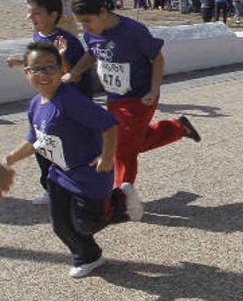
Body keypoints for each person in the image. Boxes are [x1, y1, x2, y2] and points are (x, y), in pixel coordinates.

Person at [4, 42, 145, 277]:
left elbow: (109, 125)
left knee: (86, 223)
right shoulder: (35, 105)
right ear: (26, 73)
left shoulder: (71, 101)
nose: (43, 74)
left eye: (49, 68)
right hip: (59, 174)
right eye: (35, 69)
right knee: (61, 225)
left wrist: (107, 157)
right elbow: (34, 141)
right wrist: (10, 158)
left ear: (61, 69)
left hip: (89, 174)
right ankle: (89, 256)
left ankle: (121, 201)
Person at [63, 0, 201, 188]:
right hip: (115, 97)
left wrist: (154, 90)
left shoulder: (133, 31)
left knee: (121, 147)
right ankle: (178, 127)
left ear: (103, 12)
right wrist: (75, 72)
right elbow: (92, 53)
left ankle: (123, 194)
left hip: (140, 96)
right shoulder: (91, 32)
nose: (85, 27)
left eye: (87, 20)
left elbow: (157, 58)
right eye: (81, 22)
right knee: (130, 141)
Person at [6, 0, 95, 205]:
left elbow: (72, 76)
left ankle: (75, 191)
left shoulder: (67, 42)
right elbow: (41, 62)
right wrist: (21, 62)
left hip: (72, 106)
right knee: (43, 146)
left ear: (53, 14)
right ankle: (53, 189)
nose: (31, 18)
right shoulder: (39, 37)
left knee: (57, 148)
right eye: (29, 13)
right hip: (52, 104)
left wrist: (62, 55)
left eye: (36, 13)